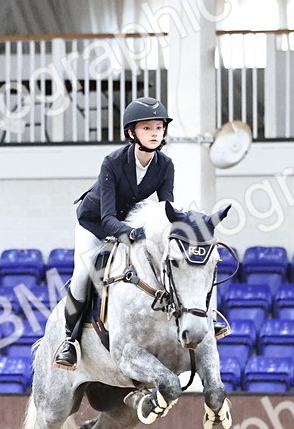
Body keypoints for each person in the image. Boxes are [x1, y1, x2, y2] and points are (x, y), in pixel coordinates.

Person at [54, 96, 226, 370]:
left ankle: (206, 316)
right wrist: (131, 233)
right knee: (84, 273)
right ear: (131, 132)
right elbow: (108, 218)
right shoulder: (112, 162)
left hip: (133, 222)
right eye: (147, 128)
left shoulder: (165, 165)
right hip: (95, 223)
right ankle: (69, 341)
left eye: (158, 127)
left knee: (176, 262)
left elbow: (164, 209)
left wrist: (181, 231)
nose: (155, 133)